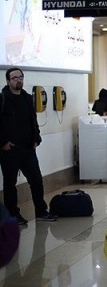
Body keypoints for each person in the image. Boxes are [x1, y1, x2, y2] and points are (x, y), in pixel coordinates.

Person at [0, 68, 57, 225]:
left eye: (21, 77)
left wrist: (36, 138)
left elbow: (33, 120)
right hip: (10, 150)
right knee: (10, 183)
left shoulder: (27, 98)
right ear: (8, 81)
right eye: (14, 78)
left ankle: (41, 211)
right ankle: (13, 215)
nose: (18, 80)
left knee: (36, 180)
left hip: (28, 148)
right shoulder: (3, 98)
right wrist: (3, 142)